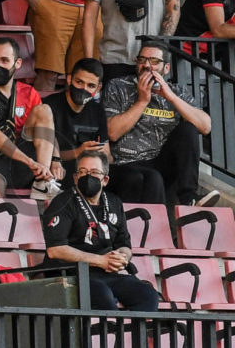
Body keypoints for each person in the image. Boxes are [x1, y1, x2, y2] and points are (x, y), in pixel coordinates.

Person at [102, 41, 217, 207]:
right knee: (152, 177)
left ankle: (189, 198)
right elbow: (112, 132)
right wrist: (142, 101)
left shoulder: (177, 91)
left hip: (160, 161)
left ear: (167, 68)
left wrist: (170, 97)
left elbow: (205, 126)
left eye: (154, 61)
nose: (147, 65)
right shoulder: (118, 86)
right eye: (142, 60)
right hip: (125, 164)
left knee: (189, 129)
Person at [42, 151, 159, 312]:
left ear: (105, 180)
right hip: (71, 274)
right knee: (103, 295)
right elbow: (55, 250)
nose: (87, 176)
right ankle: (111, 334)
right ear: (75, 178)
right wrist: (100, 260)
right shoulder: (62, 202)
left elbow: (124, 244)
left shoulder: (114, 202)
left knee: (148, 295)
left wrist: (122, 257)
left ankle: (133, 336)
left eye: (94, 172)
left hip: (106, 273)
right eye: (82, 172)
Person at [0, 37, 61, 199]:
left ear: (18, 63)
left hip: (24, 163)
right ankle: (2, 221)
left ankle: (42, 183)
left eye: (4, 60)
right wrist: (30, 162)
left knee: (44, 110)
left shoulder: (29, 93)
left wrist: (55, 160)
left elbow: (47, 131)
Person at [42, 58, 110, 186]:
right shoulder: (49, 106)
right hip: (57, 171)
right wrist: (78, 152)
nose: (84, 89)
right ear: (69, 79)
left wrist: (99, 154)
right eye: (79, 82)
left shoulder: (97, 110)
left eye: (91, 86)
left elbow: (108, 155)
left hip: (89, 170)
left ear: (98, 88)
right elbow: (42, 155)